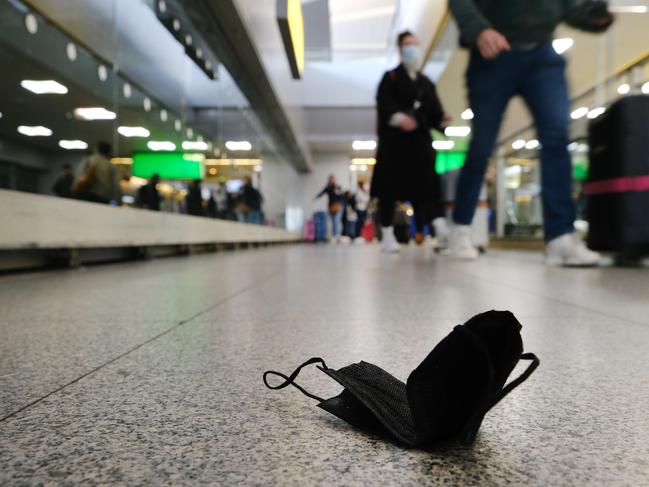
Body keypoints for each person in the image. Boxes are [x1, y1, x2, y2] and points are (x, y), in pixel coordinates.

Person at [448, 0, 614, 265]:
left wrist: (594, 16)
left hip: (541, 55)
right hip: (492, 55)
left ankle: (560, 236)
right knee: (482, 147)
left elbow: (569, 8)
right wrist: (478, 29)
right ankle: (460, 228)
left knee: (557, 138)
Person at [371, 31, 448, 253]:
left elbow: (435, 112)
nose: (411, 48)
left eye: (414, 44)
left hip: (419, 143)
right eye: (407, 44)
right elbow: (383, 105)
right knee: (388, 190)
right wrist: (400, 118)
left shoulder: (426, 82)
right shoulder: (391, 77)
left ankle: (438, 228)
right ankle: (386, 233)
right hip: (394, 144)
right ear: (399, 48)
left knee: (429, 187)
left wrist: (441, 121)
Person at [315, 175, 344, 242]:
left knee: (337, 221)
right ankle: (334, 235)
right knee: (333, 222)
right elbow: (321, 193)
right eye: (330, 179)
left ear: (334, 180)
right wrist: (315, 197)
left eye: (332, 179)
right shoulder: (328, 187)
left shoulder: (337, 187)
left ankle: (337, 235)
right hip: (330, 206)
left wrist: (340, 204)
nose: (331, 180)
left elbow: (341, 196)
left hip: (337, 206)